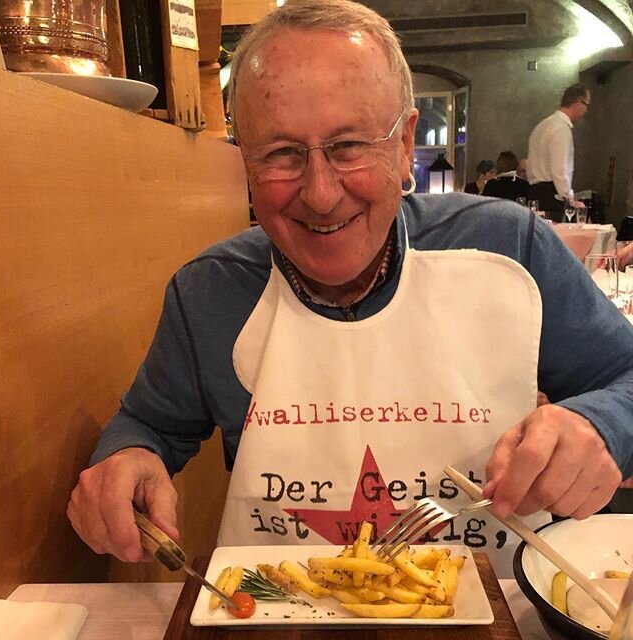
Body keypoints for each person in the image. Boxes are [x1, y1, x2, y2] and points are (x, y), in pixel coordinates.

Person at [67, 0, 633, 577]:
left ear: (406, 143)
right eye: (282, 153)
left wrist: (602, 425)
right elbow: (150, 426)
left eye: (349, 146)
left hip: (506, 608)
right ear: (244, 161)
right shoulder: (209, 292)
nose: (319, 193)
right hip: (281, 613)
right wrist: (126, 457)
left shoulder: (511, 248)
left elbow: (627, 377)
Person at [527, 83, 590, 220]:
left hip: (534, 193)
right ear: (578, 103)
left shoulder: (543, 125)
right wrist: (569, 199)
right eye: (586, 105)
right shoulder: (561, 128)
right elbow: (559, 170)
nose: (586, 110)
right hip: (551, 196)